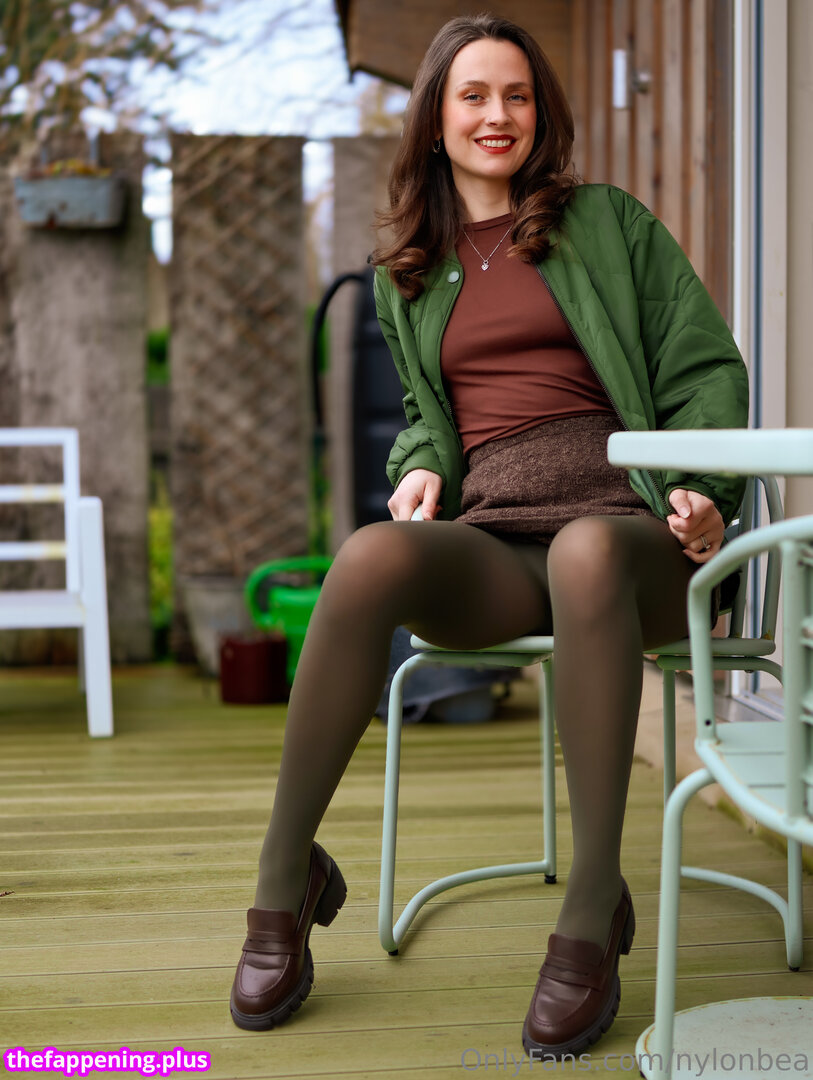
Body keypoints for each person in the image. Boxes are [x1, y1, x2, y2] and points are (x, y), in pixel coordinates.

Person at [230, 12, 748, 1059]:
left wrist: (701, 488)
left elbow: (704, 369)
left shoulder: (606, 222)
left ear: (539, 112)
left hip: (631, 536)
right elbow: (428, 414)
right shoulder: (409, 267)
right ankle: (285, 877)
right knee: (370, 555)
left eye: (516, 95)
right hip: (501, 540)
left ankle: (593, 903)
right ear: (436, 119)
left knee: (586, 548)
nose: (496, 115)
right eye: (473, 96)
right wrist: (421, 463)